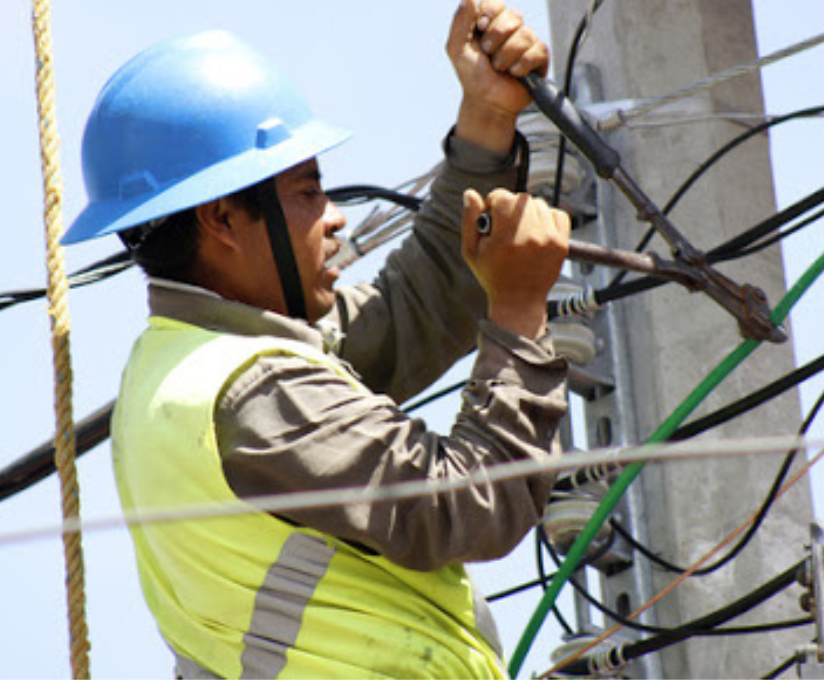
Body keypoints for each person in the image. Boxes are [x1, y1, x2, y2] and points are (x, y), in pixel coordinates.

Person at [64, 2, 571, 677]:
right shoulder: (255, 391)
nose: (333, 219)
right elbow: (472, 502)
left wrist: (485, 120)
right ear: (221, 218)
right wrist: (518, 311)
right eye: (307, 194)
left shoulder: (197, 365)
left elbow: (409, 313)